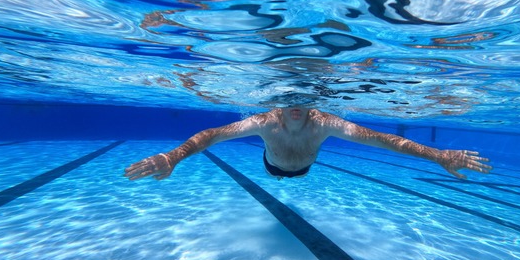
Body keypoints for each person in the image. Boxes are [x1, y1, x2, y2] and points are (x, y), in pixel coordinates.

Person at [124, 107, 492, 181]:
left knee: (289, 173)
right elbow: (213, 135)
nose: (296, 104)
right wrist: (173, 156)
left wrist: (437, 155)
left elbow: (385, 140)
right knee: (276, 172)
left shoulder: (326, 123)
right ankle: (278, 174)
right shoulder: (263, 121)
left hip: (303, 169)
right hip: (273, 164)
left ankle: (284, 175)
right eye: (289, 100)